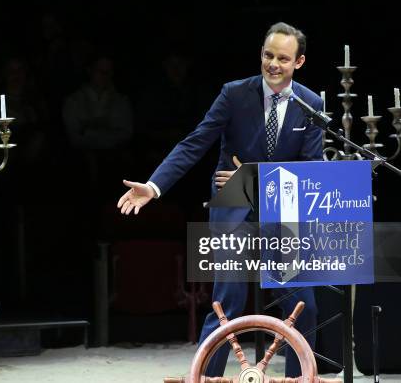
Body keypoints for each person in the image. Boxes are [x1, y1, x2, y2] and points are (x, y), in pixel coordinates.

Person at [117, 22, 322, 378]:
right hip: (234, 207)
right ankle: (205, 377)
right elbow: (194, 143)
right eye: (267, 55)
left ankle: (298, 379)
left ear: (299, 62)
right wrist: (153, 187)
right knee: (227, 302)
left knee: (305, 304)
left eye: (283, 58)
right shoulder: (234, 94)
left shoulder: (312, 103)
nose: (273, 64)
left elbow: (310, 171)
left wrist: (253, 177)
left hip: (284, 210)